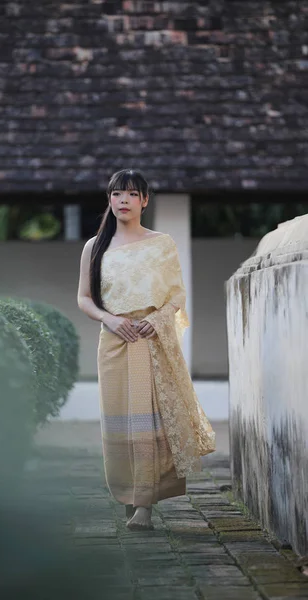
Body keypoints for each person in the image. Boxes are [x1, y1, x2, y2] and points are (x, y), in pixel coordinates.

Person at [77, 169, 216, 531]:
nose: (123, 200)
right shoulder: (95, 246)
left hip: (149, 341)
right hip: (114, 341)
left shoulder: (161, 244)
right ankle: (127, 493)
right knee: (118, 426)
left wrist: (155, 321)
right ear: (109, 199)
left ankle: (144, 505)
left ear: (145, 201)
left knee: (147, 426)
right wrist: (109, 320)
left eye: (131, 194)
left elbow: (176, 296)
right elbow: (84, 298)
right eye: (117, 194)